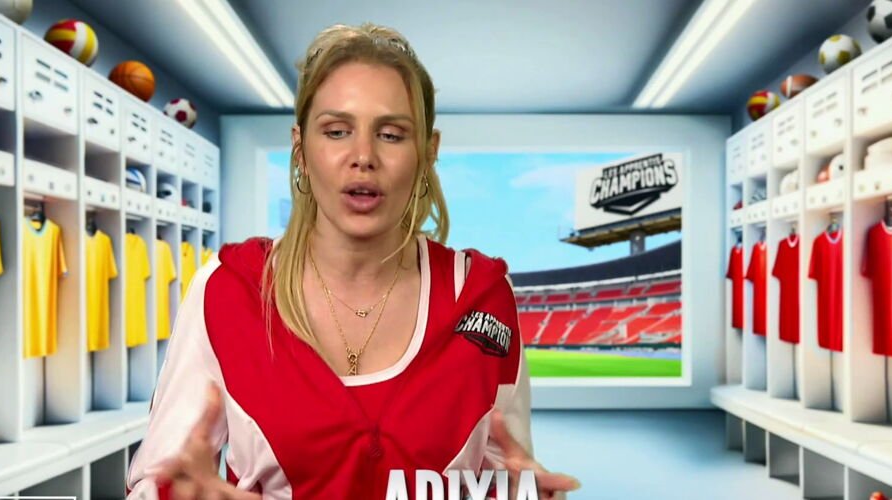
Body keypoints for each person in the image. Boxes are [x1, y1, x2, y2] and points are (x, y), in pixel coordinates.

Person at [124, 23, 580, 499]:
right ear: (301, 149)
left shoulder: (483, 298)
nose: (363, 156)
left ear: (428, 153)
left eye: (391, 134)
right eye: (337, 131)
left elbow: (506, 480)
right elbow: (156, 483)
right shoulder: (225, 290)